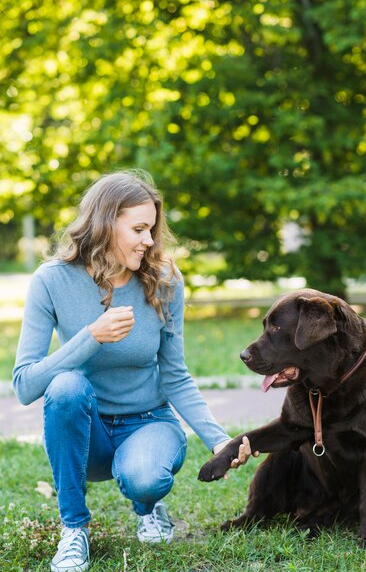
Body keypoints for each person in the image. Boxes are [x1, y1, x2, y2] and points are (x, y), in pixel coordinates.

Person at [13, 170, 255, 572]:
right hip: (87, 433)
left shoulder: (164, 281)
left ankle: (148, 506)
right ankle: (74, 529)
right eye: (139, 228)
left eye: (152, 230)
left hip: (148, 422)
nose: (149, 240)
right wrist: (92, 336)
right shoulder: (52, 281)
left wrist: (219, 440)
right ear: (105, 223)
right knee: (67, 386)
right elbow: (25, 386)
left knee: (145, 478)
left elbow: (176, 375)